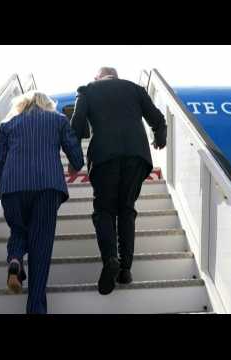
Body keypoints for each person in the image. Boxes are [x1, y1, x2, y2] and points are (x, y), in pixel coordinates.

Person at [70, 67, 167, 295]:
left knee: (104, 210)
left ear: (97, 77)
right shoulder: (134, 89)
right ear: (115, 75)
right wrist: (159, 136)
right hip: (136, 156)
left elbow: (76, 124)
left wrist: (75, 158)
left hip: (105, 158)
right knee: (126, 209)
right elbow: (157, 118)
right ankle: (125, 269)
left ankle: (110, 259)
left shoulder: (87, 90)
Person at [0, 90, 84, 314]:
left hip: (12, 187)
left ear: (22, 105)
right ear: (47, 105)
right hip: (47, 187)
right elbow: (76, 157)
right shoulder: (58, 120)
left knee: (18, 230)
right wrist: (75, 164)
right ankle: (35, 308)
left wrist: (5, 187)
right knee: (40, 247)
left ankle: (15, 260)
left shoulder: (8, 125)